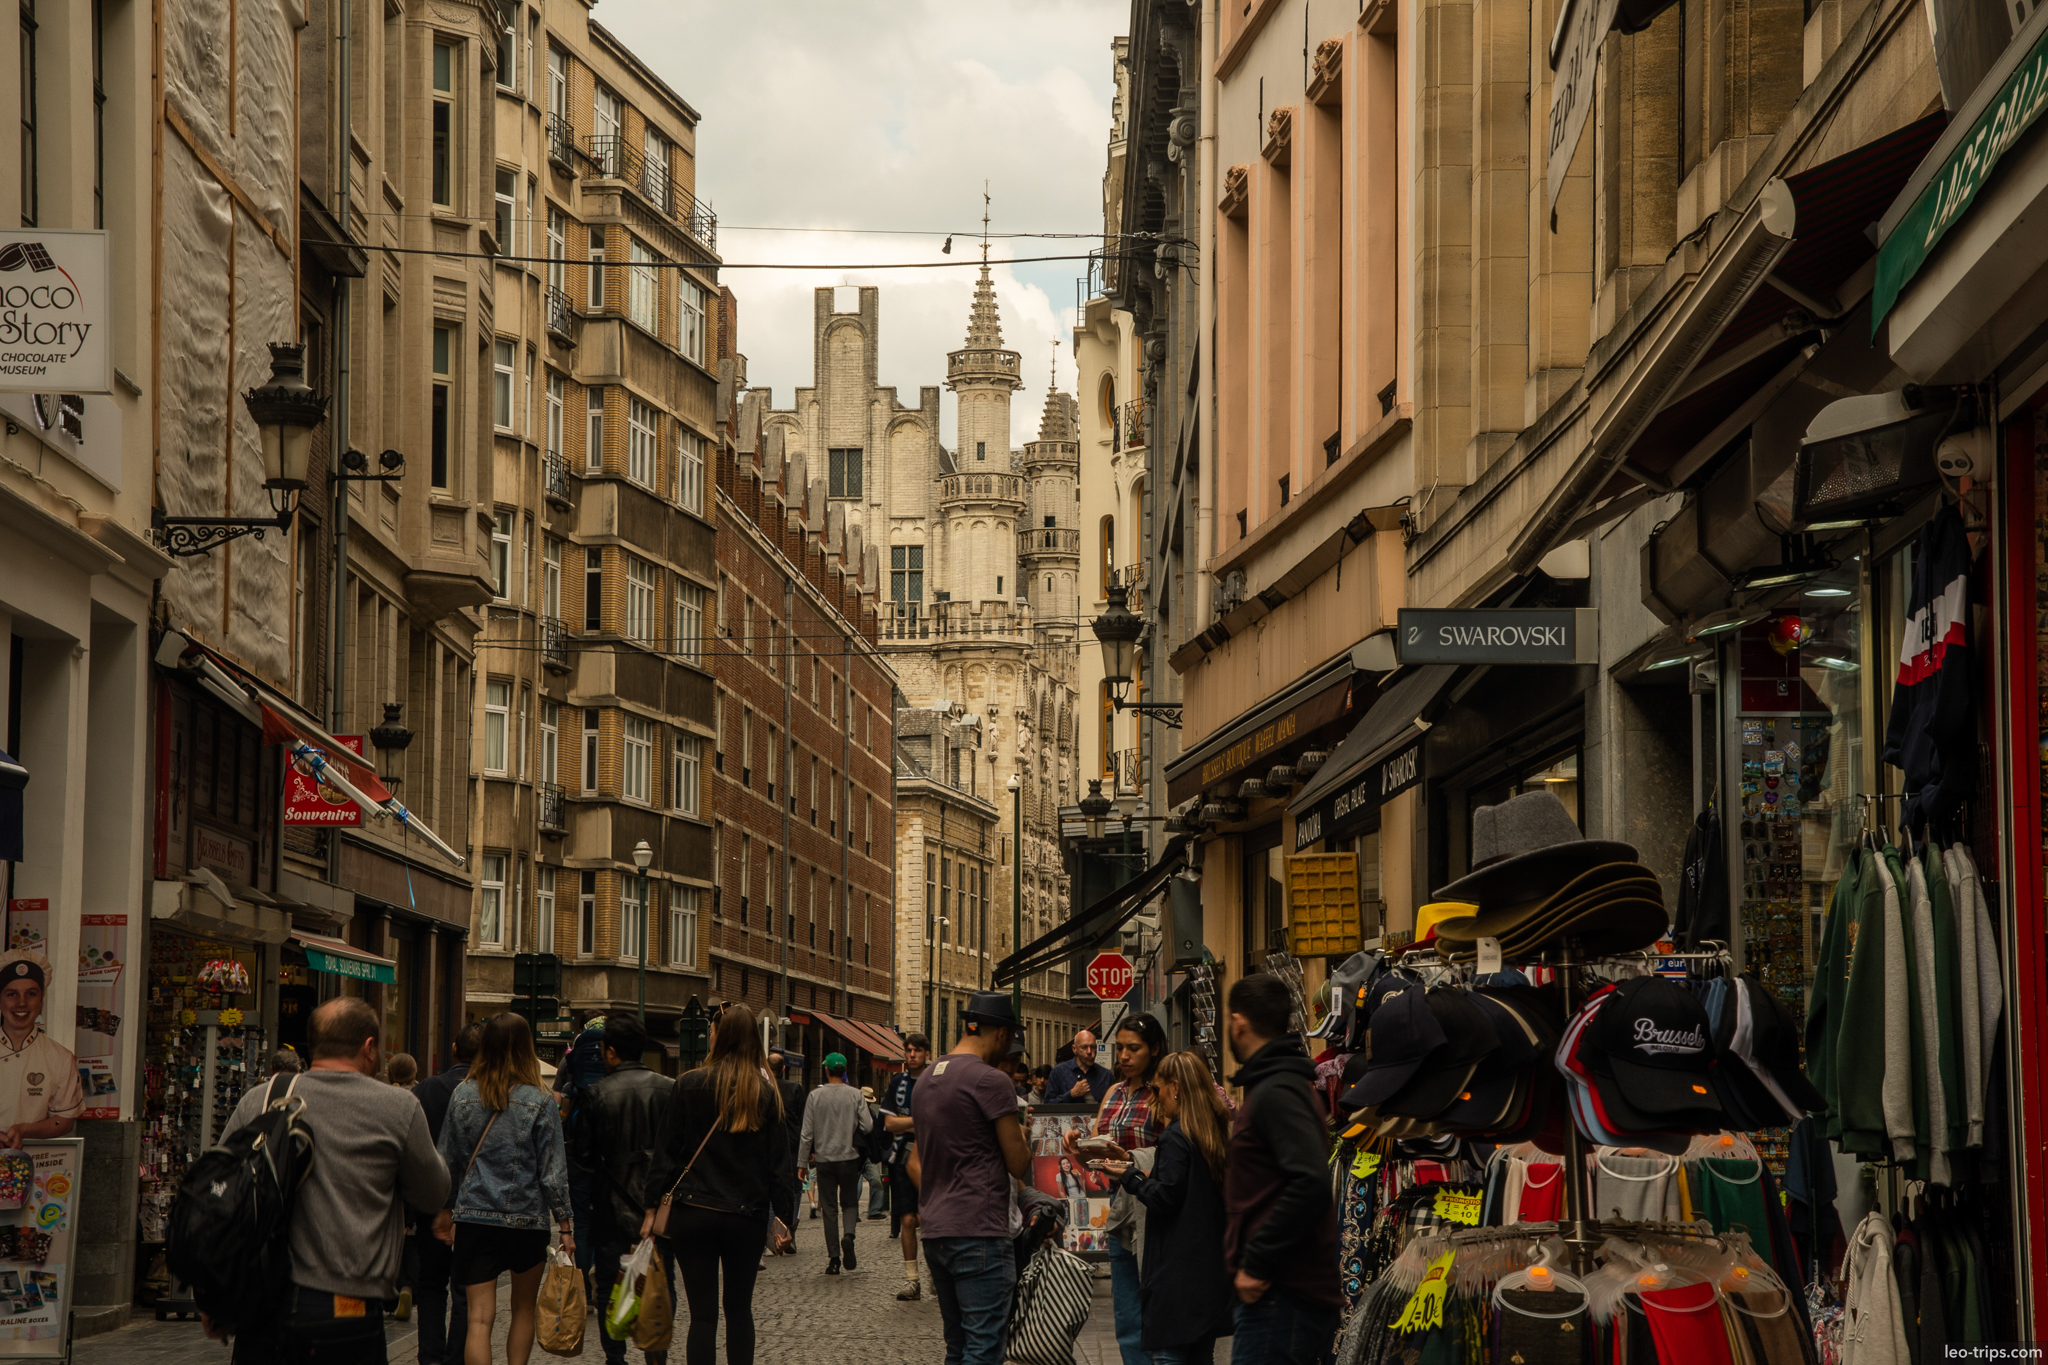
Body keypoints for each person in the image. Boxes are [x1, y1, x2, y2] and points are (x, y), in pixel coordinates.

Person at [213, 996, 448, 1363]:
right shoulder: (398, 1108)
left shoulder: (263, 1099)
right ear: (369, 1047)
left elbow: (218, 1193)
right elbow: (434, 1193)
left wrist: (216, 1294)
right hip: (347, 1307)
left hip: (263, 1304)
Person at [640, 1004, 795, 1365]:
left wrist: (650, 1206)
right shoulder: (765, 1093)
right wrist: (784, 1215)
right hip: (746, 1216)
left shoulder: (689, 1084)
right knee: (739, 1311)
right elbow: (778, 1163)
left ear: (718, 1036)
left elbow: (666, 1153)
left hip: (693, 1213)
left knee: (702, 1316)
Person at [433, 1013, 574, 1365]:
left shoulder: (463, 1095)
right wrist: (566, 1225)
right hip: (526, 1221)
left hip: (475, 1220)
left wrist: (446, 1209)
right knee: (523, 1310)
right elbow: (553, 1172)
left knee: (479, 1318)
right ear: (527, 1048)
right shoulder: (541, 1100)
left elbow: (446, 1161)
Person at [1222, 973, 1340, 1364]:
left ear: (1239, 1022)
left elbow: (1310, 1182)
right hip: (1284, 1296)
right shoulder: (1279, 1084)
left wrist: (1257, 1260)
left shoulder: (1278, 1089)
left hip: (1282, 1297)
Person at [911, 992, 1031, 1365]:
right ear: (1000, 1034)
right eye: (1011, 1039)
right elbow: (1018, 1163)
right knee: (983, 1346)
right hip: (980, 1229)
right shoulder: (991, 1081)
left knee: (957, 1346)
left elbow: (916, 1159)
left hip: (935, 1231)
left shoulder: (926, 1078)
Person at [1099, 1051, 1236, 1365]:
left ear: (1175, 1087)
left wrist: (1130, 1176)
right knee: (1201, 1356)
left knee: (1169, 1356)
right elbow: (1190, 1189)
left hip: (1176, 1276)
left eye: (1158, 1089)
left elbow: (1166, 1197)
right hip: (1207, 1273)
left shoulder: (1176, 1137)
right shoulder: (1212, 1135)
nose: (1154, 1099)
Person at [1063, 1012, 1174, 1365]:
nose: (1124, 1057)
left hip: (1155, 1208)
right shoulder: (1113, 1091)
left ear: (1154, 1049)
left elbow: (1177, 1155)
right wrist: (1079, 1149)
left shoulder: (1165, 1094)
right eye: (1120, 1048)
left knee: (1158, 1308)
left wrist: (1128, 1159)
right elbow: (1099, 1168)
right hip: (1119, 1206)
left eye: (1134, 1049)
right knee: (1126, 1314)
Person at [576, 1015, 676, 1365]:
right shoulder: (669, 1088)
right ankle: (656, 1354)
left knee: (608, 1286)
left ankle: (615, 1358)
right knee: (660, 1281)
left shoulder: (595, 1095)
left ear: (611, 1052)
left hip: (611, 1208)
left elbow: (583, 1158)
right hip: (659, 1210)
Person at [412, 1022, 482, 1365]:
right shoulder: (493, 1092)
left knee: (431, 1284)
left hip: (432, 1202)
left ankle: (429, 1357)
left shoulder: (427, 1089)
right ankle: (456, 1357)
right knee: (466, 1289)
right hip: (477, 1205)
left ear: (454, 1049)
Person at [797, 1051, 874, 1274]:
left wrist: (802, 1162)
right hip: (849, 1158)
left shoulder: (814, 1097)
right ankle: (849, 1235)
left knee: (829, 1209)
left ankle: (834, 1259)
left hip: (825, 1160)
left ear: (826, 1070)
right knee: (849, 1203)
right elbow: (868, 1126)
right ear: (845, 1072)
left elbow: (806, 1134)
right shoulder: (856, 1095)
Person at [0, 951, 81, 1148]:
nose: (22, 1003)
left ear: (41, 1001)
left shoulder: (60, 1058)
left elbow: (64, 1119)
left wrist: (24, 1130)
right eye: (12, 994)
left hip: (30, 1168)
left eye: (31, 994)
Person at [879, 1033, 931, 1299]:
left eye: (917, 1051)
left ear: (926, 1054)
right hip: (901, 1158)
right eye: (908, 1050)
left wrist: (906, 1121)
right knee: (907, 1219)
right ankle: (912, 1280)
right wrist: (919, 1121)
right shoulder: (897, 1082)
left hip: (931, 1158)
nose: (912, 1055)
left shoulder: (935, 1081)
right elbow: (889, 1124)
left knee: (930, 1217)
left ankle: (935, 1272)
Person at [767, 1050, 807, 1231]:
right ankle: (789, 1232)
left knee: (769, 1193)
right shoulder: (795, 1088)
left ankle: (770, 1235)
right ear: (783, 1068)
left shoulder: (761, 1088)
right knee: (795, 1190)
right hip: (792, 1146)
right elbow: (803, 1121)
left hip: (768, 1147)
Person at [1044, 1028, 1113, 1107]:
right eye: (1084, 1047)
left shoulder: (1106, 1075)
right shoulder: (1059, 1072)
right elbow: (1048, 1104)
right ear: (1074, 1049)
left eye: (1093, 1047)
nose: (1089, 1052)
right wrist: (1071, 1094)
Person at [859, 1085, 890, 1220]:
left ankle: (875, 1210)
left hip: (870, 1152)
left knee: (876, 1180)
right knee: (856, 1184)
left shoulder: (872, 1114)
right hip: (857, 1152)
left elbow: (875, 1134)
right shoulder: (853, 1112)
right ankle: (852, 1211)